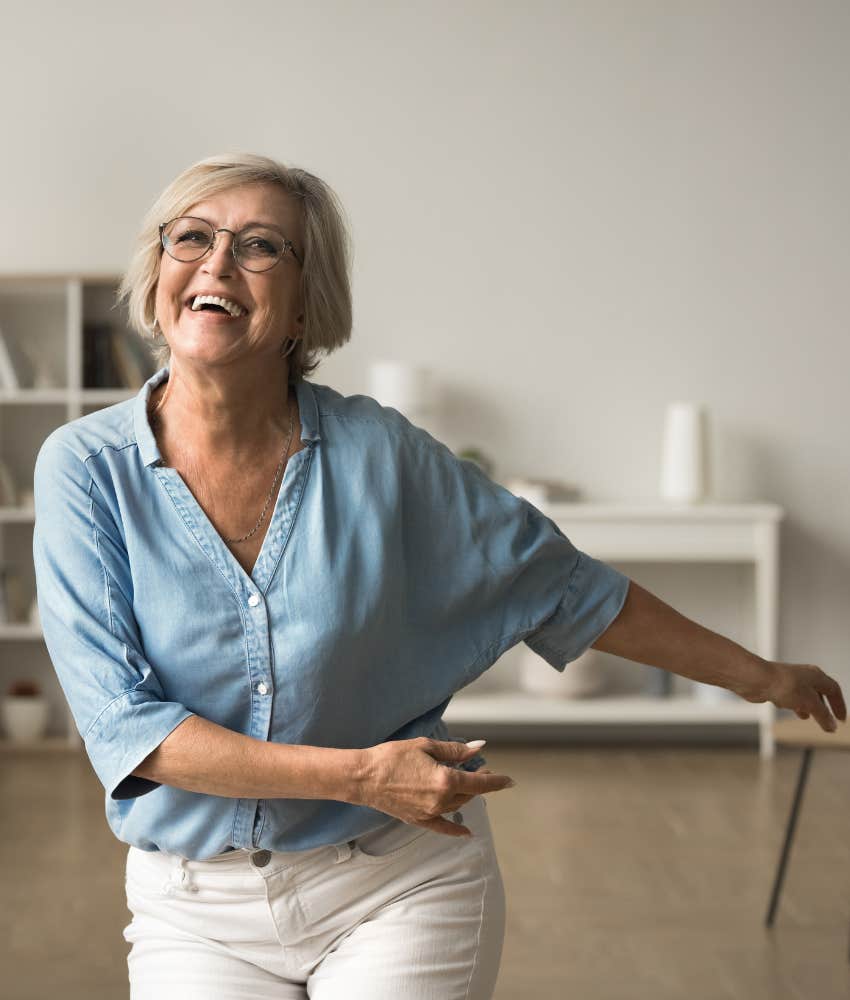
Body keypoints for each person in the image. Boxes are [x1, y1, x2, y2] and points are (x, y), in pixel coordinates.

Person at [32, 152, 846, 1000]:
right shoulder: (85, 471)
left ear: (307, 304)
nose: (217, 264)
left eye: (261, 246)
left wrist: (762, 677)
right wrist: (360, 775)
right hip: (193, 908)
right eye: (191, 238)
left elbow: (563, 586)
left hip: (396, 884)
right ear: (158, 270)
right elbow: (129, 728)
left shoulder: (384, 454)